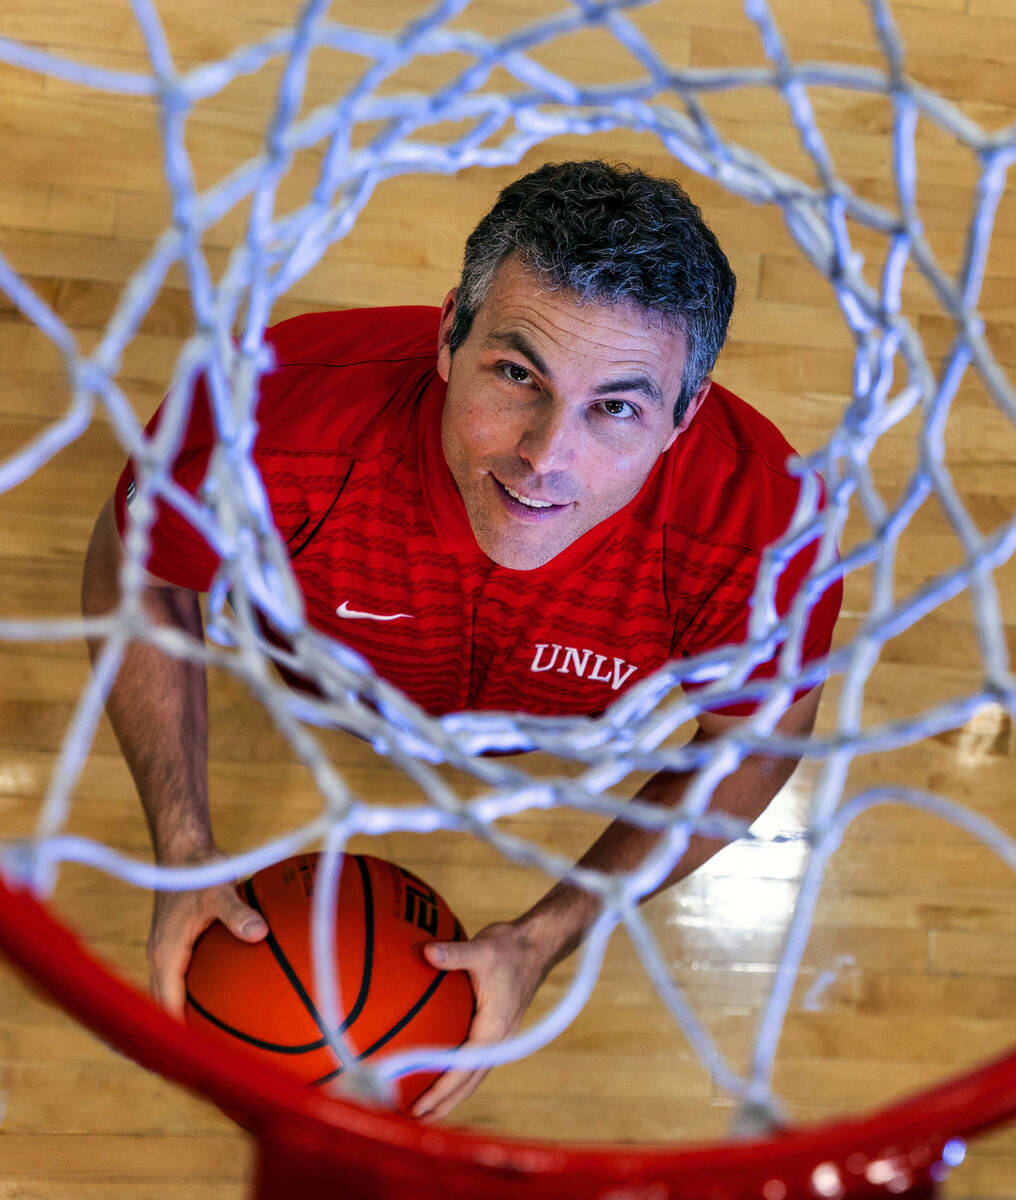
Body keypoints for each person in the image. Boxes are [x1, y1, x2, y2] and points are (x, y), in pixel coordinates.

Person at [81, 160, 841, 1121]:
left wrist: (549, 933)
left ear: (685, 415)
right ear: (449, 335)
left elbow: (757, 741)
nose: (545, 456)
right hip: (332, 692)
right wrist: (182, 844)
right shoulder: (260, 424)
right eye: (517, 374)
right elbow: (138, 573)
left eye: (617, 406)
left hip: (536, 735)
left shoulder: (761, 536)